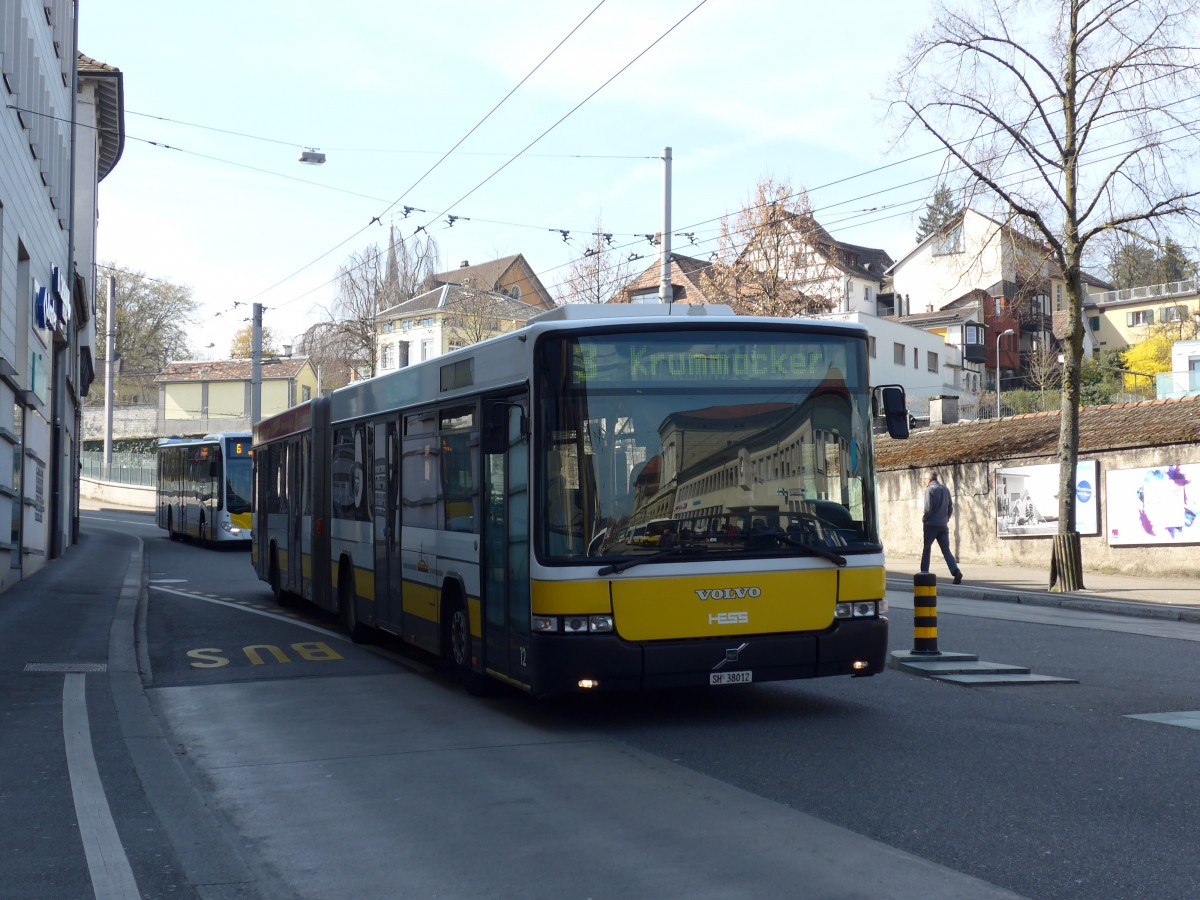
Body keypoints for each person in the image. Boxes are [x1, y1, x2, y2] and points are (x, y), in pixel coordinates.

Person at [921, 471, 963, 584]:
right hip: (943, 525)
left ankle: (924, 574)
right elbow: (950, 508)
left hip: (931, 525)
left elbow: (928, 509)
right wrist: (946, 519)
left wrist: (924, 519)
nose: (924, 481)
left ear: (929, 479)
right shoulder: (945, 489)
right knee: (946, 551)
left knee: (926, 549)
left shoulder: (929, 490)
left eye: (925, 479)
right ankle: (956, 571)